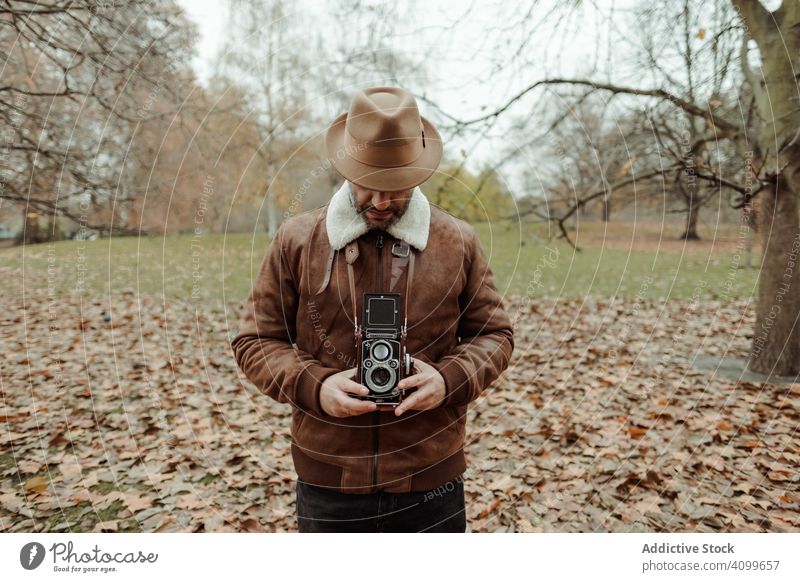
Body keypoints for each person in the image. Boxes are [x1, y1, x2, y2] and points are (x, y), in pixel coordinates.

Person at [230, 86, 514, 532]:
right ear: (348, 168)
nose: (381, 202)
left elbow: (495, 335)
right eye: (370, 187)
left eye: (396, 188)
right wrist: (316, 387)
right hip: (328, 483)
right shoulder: (297, 239)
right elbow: (255, 341)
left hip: (432, 480)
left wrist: (449, 378)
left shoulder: (457, 241)